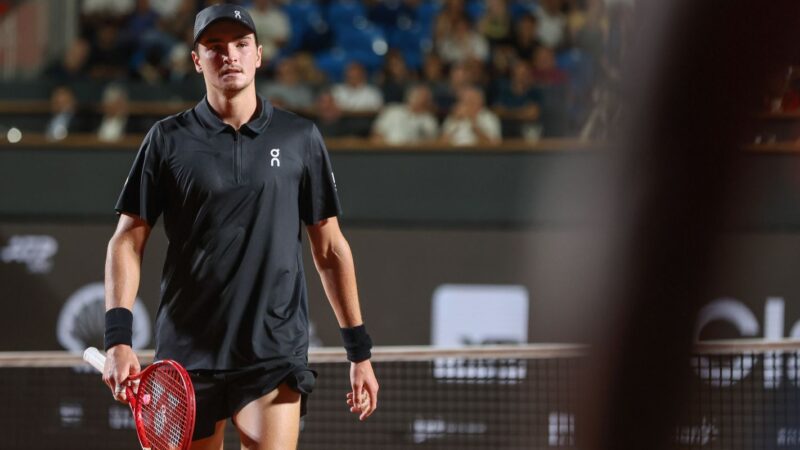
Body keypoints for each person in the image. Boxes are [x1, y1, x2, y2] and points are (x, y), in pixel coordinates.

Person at [101, 4, 379, 450]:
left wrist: (359, 352)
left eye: (240, 44)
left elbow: (329, 249)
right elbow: (127, 242)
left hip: (272, 351)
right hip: (188, 354)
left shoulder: (299, 137)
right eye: (214, 46)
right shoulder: (167, 139)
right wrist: (118, 339)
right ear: (197, 60)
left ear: (258, 55)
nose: (229, 55)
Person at [371, 85, 439, 145]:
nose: (421, 100)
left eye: (425, 98)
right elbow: (377, 134)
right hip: (387, 150)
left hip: (415, 152)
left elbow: (432, 142)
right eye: (418, 96)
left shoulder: (429, 119)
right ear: (410, 97)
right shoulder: (393, 110)